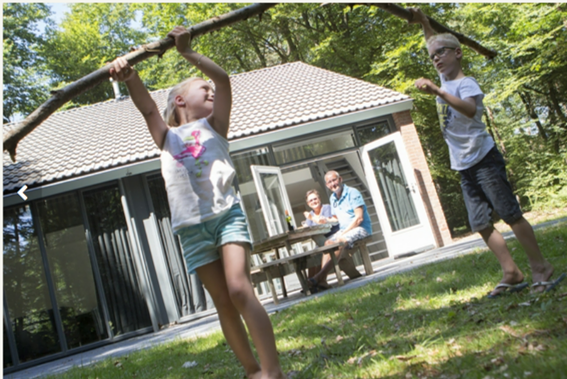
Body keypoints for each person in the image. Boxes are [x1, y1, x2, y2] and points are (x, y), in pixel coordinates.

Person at [110, 26, 286, 379]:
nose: (210, 91)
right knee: (222, 301)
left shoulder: (216, 126)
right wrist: (130, 77)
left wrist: (188, 51)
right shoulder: (167, 137)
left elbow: (222, 79)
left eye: (208, 89)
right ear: (179, 101)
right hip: (191, 228)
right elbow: (147, 110)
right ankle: (253, 372)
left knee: (239, 288)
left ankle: (274, 371)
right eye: (201, 89)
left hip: (225, 215)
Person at [409, 8, 564, 298]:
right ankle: (511, 271)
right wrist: (425, 24)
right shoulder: (443, 78)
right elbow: (434, 42)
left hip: (484, 159)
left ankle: (540, 266)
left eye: (443, 53)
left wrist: (439, 92)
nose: (437, 58)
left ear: (459, 54)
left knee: (510, 214)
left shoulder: (465, 84)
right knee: (479, 223)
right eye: (433, 57)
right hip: (463, 165)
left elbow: (468, 110)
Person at [307, 171, 373, 290]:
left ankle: (320, 277)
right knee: (326, 243)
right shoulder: (333, 198)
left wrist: (343, 233)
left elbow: (359, 218)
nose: (333, 184)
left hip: (361, 228)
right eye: (329, 182)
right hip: (344, 229)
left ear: (340, 179)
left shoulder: (353, 193)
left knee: (340, 241)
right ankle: (322, 280)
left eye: (334, 180)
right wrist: (326, 220)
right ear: (327, 185)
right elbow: (335, 218)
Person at [303, 189, 341, 280]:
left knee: (325, 249)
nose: (314, 201)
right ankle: (310, 282)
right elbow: (308, 227)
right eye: (311, 200)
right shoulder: (311, 214)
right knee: (312, 256)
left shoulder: (326, 208)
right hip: (320, 240)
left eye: (315, 199)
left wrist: (311, 219)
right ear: (308, 204)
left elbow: (325, 223)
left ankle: (320, 280)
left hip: (333, 236)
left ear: (319, 199)